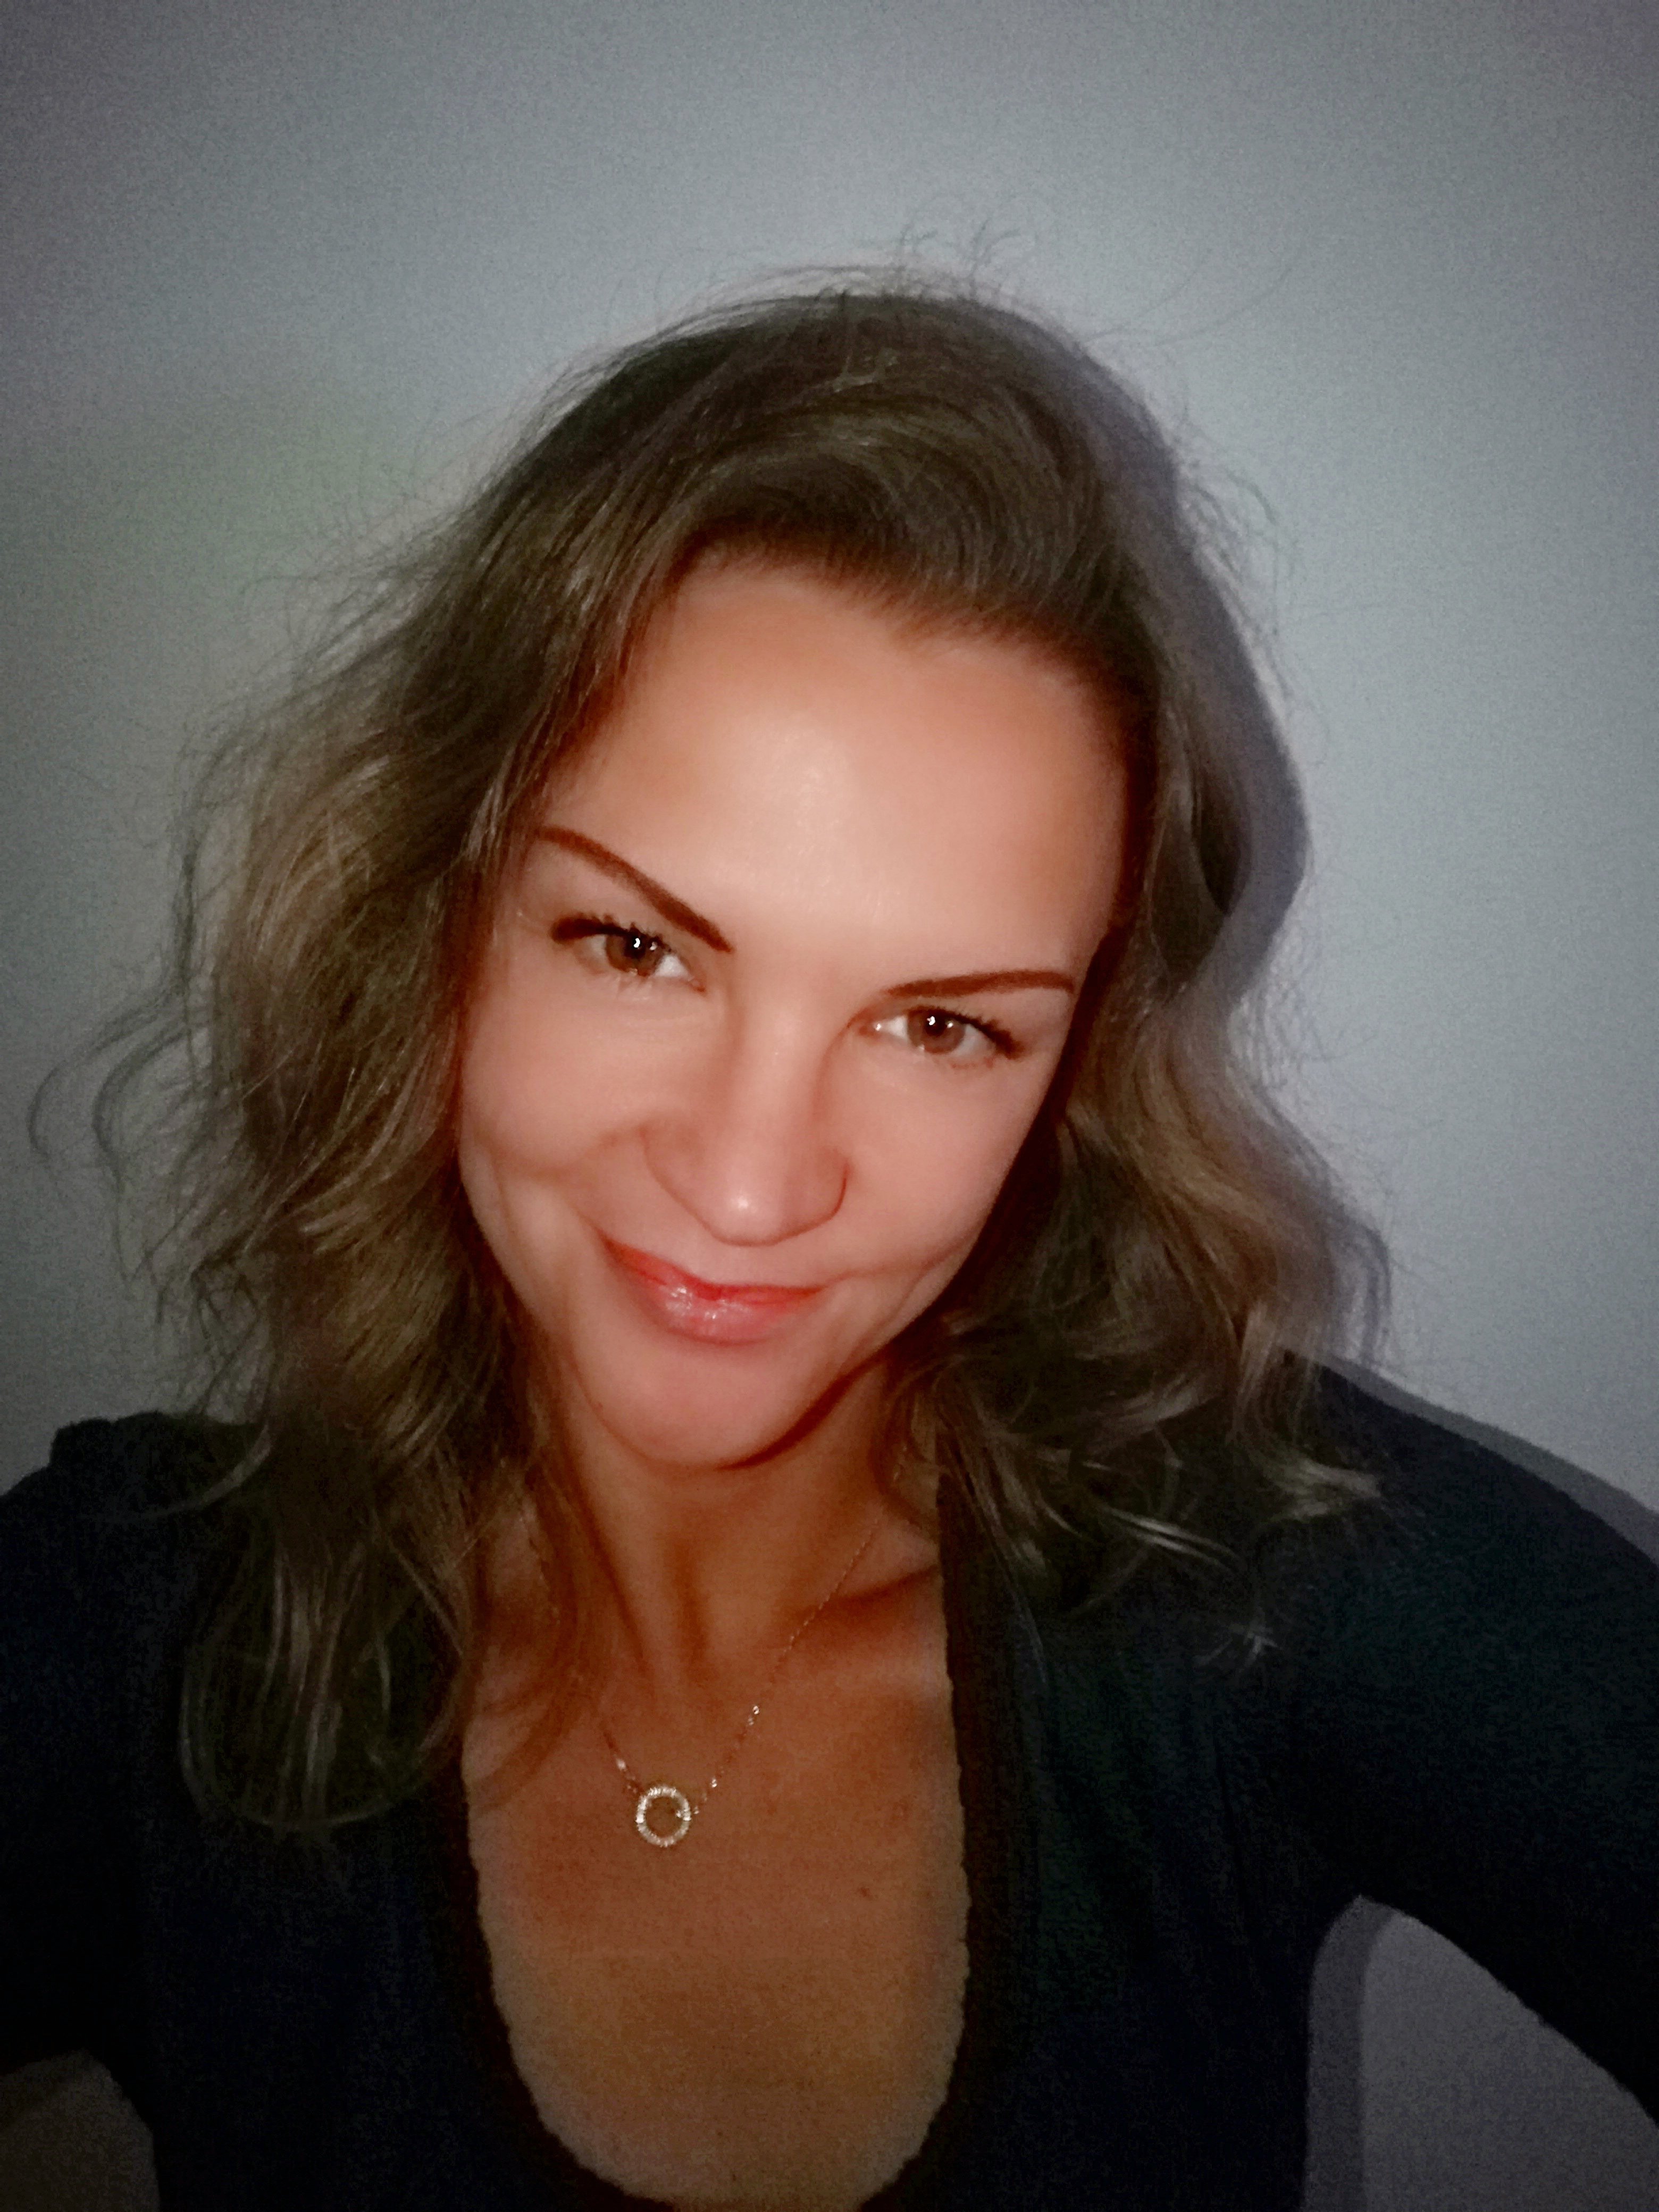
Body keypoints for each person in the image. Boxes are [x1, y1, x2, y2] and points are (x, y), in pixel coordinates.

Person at [3, 277, 1656, 2212]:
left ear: (1069, 1078)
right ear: (433, 918)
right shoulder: (134, 1650)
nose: (753, 1183)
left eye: (941, 1024)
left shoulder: (1265, 1591)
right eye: (638, 947)